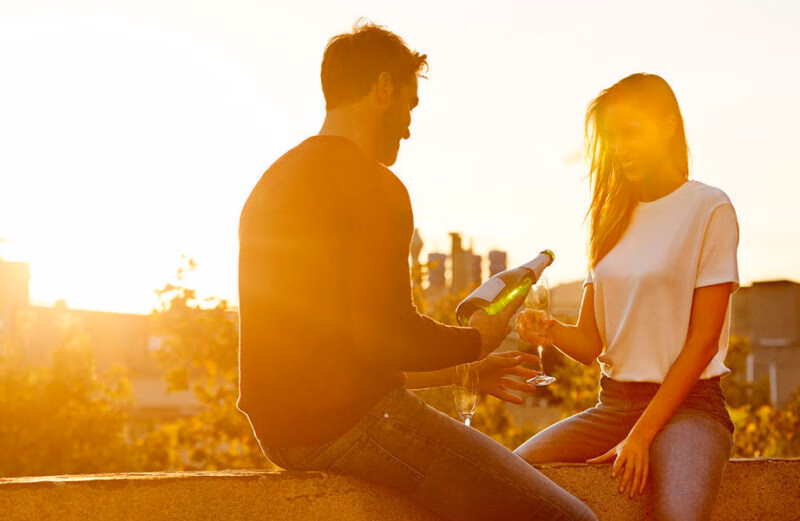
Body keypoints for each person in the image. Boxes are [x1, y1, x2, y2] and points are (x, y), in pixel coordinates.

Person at [237, 21, 597, 521]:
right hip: (352, 425)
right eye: (409, 105)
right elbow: (388, 336)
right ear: (384, 88)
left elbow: (349, 346)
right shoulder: (374, 185)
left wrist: (462, 371)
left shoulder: (272, 182)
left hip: (282, 435)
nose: (408, 126)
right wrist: (477, 340)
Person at [515, 73, 738, 521]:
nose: (619, 149)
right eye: (611, 139)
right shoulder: (608, 219)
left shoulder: (710, 208)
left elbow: (703, 343)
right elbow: (591, 345)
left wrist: (641, 435)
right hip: (612, 405)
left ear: (669, 125)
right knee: (508, 475)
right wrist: (551, 329)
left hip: (690, 407)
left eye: (630, 133)